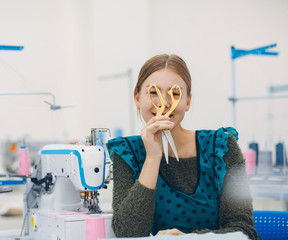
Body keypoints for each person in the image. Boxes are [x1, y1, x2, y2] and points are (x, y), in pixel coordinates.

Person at [107, 54, 259, 239]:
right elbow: (127, 233)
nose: (164, 103)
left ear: (187, 101)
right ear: (137, 98)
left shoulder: (222, 147)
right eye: (153, 92)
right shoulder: (127, 152)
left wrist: (191, 238)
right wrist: (152, 159)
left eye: (175, 94)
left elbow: (244, 230)